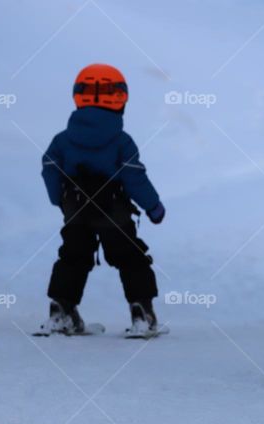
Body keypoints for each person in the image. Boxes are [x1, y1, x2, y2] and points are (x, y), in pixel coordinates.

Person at [39, 63, 166, 335]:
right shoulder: (122, 142)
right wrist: (153, 206)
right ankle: (142, 313)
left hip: (75, 213)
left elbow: (49, 168)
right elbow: (134, 177)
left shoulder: (62, 141)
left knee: (72, 257)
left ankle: (61, 311)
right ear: (121, 99)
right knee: (131, 258)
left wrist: (58, 200)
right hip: (115, 214)